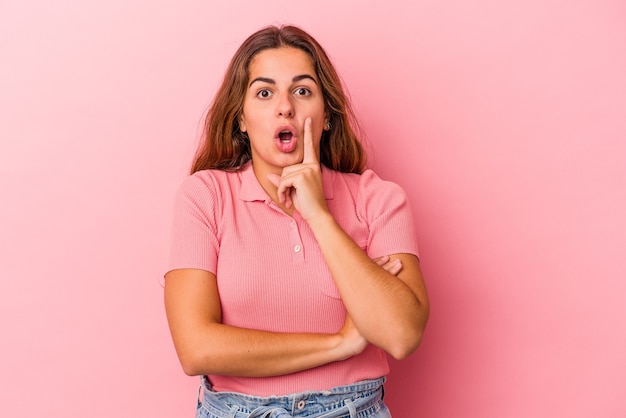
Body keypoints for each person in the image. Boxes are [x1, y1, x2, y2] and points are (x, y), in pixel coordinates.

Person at [164, 24, 430, 418]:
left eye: (302, 90)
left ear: (325, 117)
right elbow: (197, 349)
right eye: (265, 92)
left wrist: (319, 215)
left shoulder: (379, 200)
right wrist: (339, 344)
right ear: (240, 119)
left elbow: (401, 334)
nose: (285, 106)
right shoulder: (205, 196)